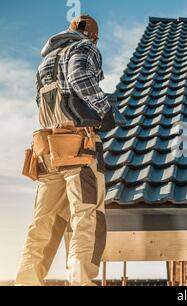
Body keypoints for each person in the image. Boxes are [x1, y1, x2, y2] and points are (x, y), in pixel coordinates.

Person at [16, 15, 112, 286]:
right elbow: (79, 75)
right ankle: (81, 280)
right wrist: (104, 108)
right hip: (78, 148)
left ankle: (27, 279)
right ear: (93, 36)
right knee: (86, 214)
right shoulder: (84, 47)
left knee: (43, 220)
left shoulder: (45, 61)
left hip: (47, 150)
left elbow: (40, 100)